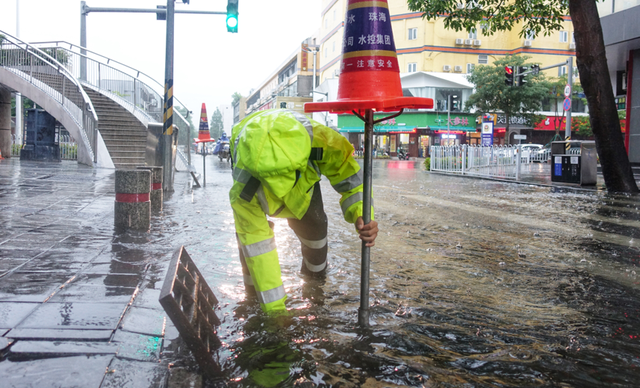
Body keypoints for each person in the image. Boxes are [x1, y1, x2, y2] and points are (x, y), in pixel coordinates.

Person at [229, 109, 379, 314]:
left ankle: (315, 290)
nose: (279, 191)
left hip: (304, 193)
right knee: (252, 254)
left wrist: (361, 213)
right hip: (257, 190)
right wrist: (276, 313)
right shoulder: (242, 189)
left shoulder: (322, 141)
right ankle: (253, 299)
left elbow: (351, 178)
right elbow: (258, 245)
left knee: (316, 241)